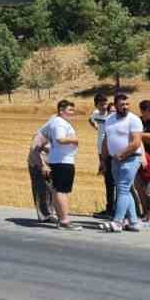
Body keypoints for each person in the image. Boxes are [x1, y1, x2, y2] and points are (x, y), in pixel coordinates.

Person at [100, 91, 145, 232]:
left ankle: (118, 221)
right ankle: (133, 222)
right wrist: (103, 159)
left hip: (130, 159)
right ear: (116, 105)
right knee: (124, 190)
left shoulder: (134, 120)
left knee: (123, 189)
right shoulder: (110, 119)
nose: (125, 106)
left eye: (127, 104)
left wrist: (122, 154)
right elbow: (106, 140)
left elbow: (136, 142)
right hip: (114, 160)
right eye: (122, 104)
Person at [39, 99, 81, 228]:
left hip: (58, 160)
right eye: (69, 110)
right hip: (63, 161)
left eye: (73, 110)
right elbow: (60, 138)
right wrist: (74, 140)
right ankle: (64, 220)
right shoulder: (60, 123)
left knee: (57, 190)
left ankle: (61, 219)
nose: (72, 112)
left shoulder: (57, 121)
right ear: (61, 110)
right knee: (61, 191)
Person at [89, 93, 113, 218]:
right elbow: (90, 119)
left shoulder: (111, 114)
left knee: (114, 181)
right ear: (96, 104)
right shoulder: (95, 114)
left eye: (105, 103)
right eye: (101, 104)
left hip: (111, 150)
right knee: (107, 180)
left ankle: (114, 209)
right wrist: (95, 126)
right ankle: (110, 208)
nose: (104, 106)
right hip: (101, 150)